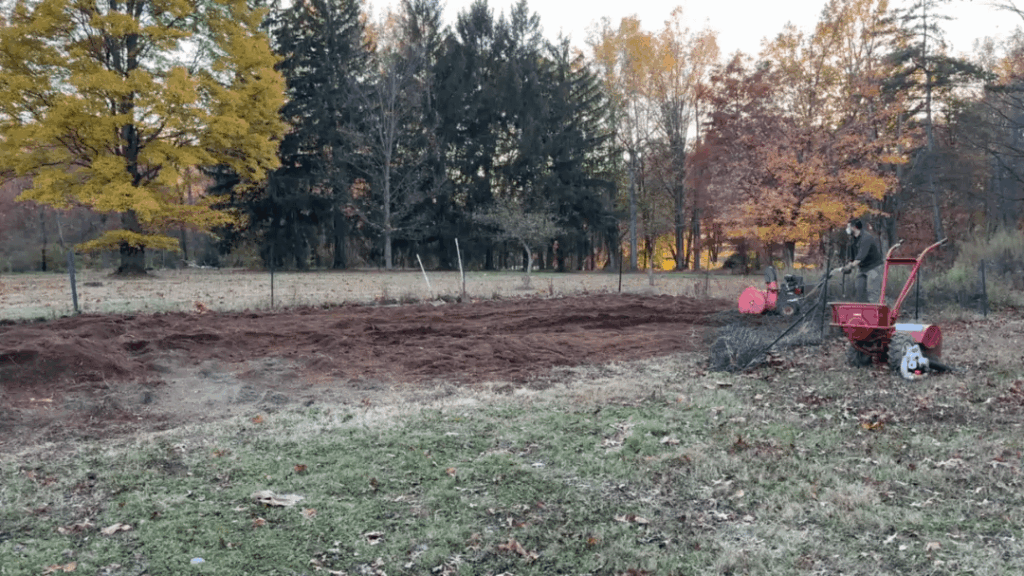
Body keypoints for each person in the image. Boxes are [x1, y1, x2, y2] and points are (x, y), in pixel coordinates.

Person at [841, 218, 882, 303]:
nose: (847, 229)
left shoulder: (866, 238)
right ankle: (862, 314)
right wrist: (848, 266)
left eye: (848, 226)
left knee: (872, 292)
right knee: (859, 291)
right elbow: (852, 257)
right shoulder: (853, 239)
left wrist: (850, 266)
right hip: (862, 268)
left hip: (873, 267)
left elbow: (860, 257)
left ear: (854, 227)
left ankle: (876, 313)